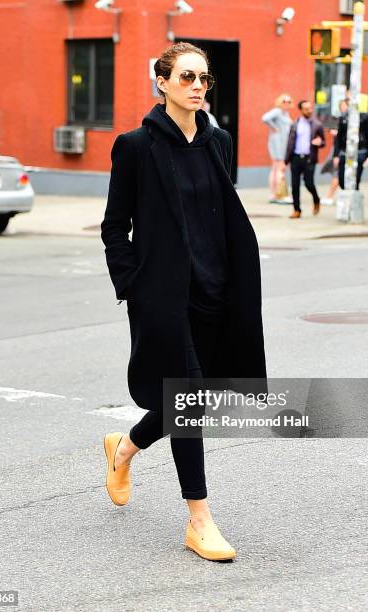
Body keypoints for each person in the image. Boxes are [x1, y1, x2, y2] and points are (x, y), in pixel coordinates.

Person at [101, 42, 267, 562]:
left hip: (218, 291)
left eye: (204, 79)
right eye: (187, 77)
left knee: (193, 399)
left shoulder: (217, 142)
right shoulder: (135, 147)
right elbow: (114, 229)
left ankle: (124, 447)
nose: (198, 86)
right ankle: (199, 520)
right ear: (163, 83)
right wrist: (135, 286)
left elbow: (218, 216)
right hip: (166, 298)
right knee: (190, 401)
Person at [284, 100, 326, 219]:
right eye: (306, 109)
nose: (309, 110)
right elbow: (290, 143)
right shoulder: (295, 124)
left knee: (309, 183)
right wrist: (286, 161)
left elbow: (323, 142)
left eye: (310, 108)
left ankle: (316, 199)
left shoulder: (317, 125)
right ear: (301, 110)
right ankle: (297, 210)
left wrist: (320, 142)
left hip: (309, 158)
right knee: (295, 185)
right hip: (296, 158)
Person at [332, 97, 368, 190]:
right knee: (342, 180)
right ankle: (348, 198)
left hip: (360, 152)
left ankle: (353, 201)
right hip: (344, 152)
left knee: (355, 180)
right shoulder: (343, 118)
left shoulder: (366, 117)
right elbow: (339, 137)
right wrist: (335, 155)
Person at [261, 94, 293, 202]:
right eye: (284, 101)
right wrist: (274, 127)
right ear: (280, 102)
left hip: (283, 143)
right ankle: (279, 194)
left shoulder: (286, 113)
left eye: (289, 101)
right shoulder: (277, 111)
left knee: (276, 168)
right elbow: (265, 118)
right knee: (279, 167)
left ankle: (274, 194)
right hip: (277, 143)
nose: (287, 103)